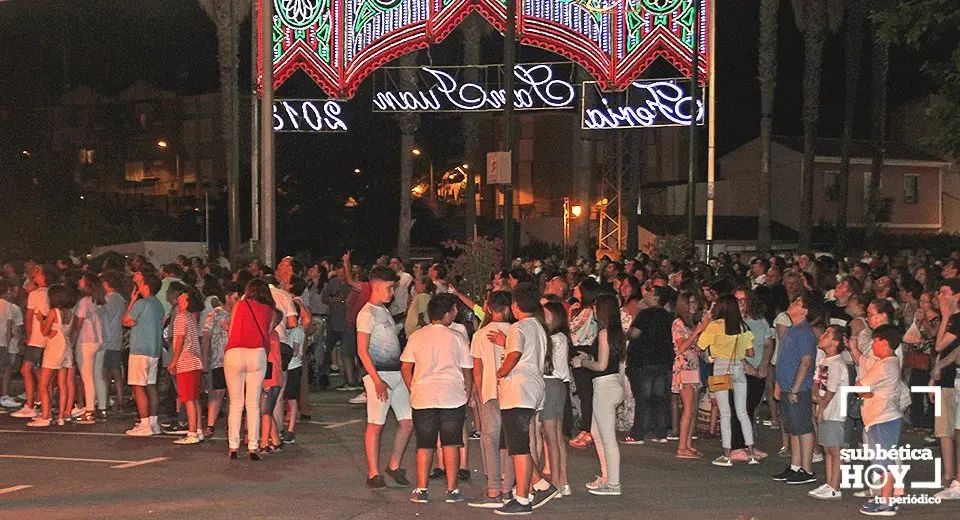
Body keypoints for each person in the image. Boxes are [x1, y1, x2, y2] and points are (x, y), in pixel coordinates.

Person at [401, 293, 473, 505]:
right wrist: (467, 393)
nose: (456, 313)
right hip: (452, 396)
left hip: (423, 396)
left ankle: (421, 488)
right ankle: (452, 489)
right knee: (451, 443)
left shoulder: (417, 336)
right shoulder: (457, 337)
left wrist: (413, 386)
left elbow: (406, 366)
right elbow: (467, 369)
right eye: (454, 310)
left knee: (424, 444)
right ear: (447, 313)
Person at [495, 283, 552, 515]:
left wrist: (502, 371)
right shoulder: (538, 327)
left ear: (516, 306)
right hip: (533, 389)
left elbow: (516, 354)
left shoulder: (518, 328)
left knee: (519, 447)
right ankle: (540, 485)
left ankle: (522, 498)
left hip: (518, 390)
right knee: (515, 443)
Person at [357, 266, 414, 489]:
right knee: (376, 424)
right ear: (377, 286)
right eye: (390, 288)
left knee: (407, 422)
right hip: (379, 375)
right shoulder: (367, 313)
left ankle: (394, 466)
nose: (392, 293)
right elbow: (362, 350)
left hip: (396, 373)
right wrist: (376, 380)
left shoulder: (383, 310)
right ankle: (373, 473)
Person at [467, 291, 516, 509]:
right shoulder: (515, 331)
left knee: (491, 442)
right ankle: (509, 488)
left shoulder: (480, 335)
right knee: (511, 442)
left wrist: (479, 392)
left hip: (489, 393)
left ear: (489, 308)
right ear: (508, 308)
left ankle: (493, 488)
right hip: (513, 393)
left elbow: (477, 370)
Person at [574, 294, 625, 496]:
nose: (593, 310)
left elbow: (601, 365)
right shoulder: (616, 332)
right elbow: (611, 361)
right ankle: (606, 477)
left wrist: (583, 362)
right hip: (611, 384)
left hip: (605, 386)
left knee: (607, 437)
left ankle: (613, 483)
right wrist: (589, 356)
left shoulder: (604, 333)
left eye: (596, 307)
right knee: (596, 433)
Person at [697, 294, 757, 466]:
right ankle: (751, 453)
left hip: (720, 369)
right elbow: (751, 352)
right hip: (738, 368)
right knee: (742, 411)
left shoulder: (715, 326)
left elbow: (700, 347)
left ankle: (727, 454)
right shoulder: (742, 326)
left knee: (724, 412)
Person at [856, 324, 906, 516]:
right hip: (881, 417)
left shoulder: (885, 364)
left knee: (885, 461)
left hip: (883, 417)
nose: (873, 344)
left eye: (875, 340)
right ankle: (883, 498)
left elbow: (860, 385)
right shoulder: (887, 363)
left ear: (884, 342)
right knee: (882, 460)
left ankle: (887, 502)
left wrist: (866, 393)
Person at [224, 279, 276, 459]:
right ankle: (253, 446)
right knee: (253, 403)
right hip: (257, 354)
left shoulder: (240, 304)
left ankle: (233, 446)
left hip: (235, 352)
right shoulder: (270, 310)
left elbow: (231, 331)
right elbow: (267, 332)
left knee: (236, 403)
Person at [772, 295, 821, 485]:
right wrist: (780, 383)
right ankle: (795, 466)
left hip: (798, 388)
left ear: (804, 310)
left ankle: (807, 469)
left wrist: (795, 388)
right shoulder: (793, 330)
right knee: (793, 428)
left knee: (803, 428)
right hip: (788, 385)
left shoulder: (804, 332)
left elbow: (806, 362)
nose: (792, 303)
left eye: (798, 302)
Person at [624, 285, 674, 444]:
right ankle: (660, 432)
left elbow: (634, 333)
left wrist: (626, 331)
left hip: (643, 360)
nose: (646, 294)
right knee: (659, 397)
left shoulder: (645, 314)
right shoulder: (667, 316)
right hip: (662, 361)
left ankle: (638, 433)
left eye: (650, 292)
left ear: (656, 297)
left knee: (642, 398)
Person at [808, 325, 849, 500]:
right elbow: (817, 381)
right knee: (827, 448)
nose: (822, 335)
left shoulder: (838, 363)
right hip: (825, 409)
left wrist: (821, 407)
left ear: (835, 342)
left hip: (834, 411)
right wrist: (816, 398)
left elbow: (832, 389)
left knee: (834, 449)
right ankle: (830, 483)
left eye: (827, 334)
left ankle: (835, 486)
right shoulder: (825, 361)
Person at [123, 274, 165, 436]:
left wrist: (133, 300)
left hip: (140, 349)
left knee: (138, 386)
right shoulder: (158, 305)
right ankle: (153, 423)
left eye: (140, 283)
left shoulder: (142, 303)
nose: (137, 286)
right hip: (154, 349)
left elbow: (126, 320)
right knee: (151, 386)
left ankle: (144, 423)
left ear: (147, 286)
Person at [28, 284, 75, 427]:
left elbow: (44, 331)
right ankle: (61, 416)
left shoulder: (54, 312)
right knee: (63, 385)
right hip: (66, 348)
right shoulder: (70, 312)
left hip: (54, 348)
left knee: (43, 384)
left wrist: (41, 319)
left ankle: (45, 415)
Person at [540, 300, 572, 496]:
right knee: (557, 437)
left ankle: (556, 483)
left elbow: (545, 364)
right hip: (557, 385)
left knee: (551, 436)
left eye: (546, 313)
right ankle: (563, 481)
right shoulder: (560, 337)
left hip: (551, 383)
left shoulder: (555, 339)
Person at [168, 283, 205, 444]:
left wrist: (174, 361)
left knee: (188, 399)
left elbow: (179, 340)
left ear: (187, 300)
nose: (181, 296)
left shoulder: (181, 317)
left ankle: (191, 433)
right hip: (195, 361)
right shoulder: (191, 317)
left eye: (184, 295)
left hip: (186, 361)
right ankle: (198, 430)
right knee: (194, 398)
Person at [671, 290, 706, 458]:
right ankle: (681, 447)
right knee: (687, 408)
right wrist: (698, 331)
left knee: (692, 408)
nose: (693, 306)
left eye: (695, 303)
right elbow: (681, 347)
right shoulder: (678, 323)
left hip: (693, 366)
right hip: (684, 367)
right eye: (690, 303)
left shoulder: (691, 323)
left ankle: (688, 443)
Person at [11, 266, 50, 419]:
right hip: (48, 337)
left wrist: (28, 335)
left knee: (26, 369)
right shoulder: (52, 292)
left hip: (36, 337)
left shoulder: (35, 294)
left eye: (39, 272)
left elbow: (29, 316)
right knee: (40, 371)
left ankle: (30, 404)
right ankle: (40, 401)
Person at [202, 281, 238, 438]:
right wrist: (204, 358)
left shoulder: (239, 313)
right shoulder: (215, 313)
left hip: (236, 360)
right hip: (219, 359)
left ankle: (232, 426)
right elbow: (206, 337)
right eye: (235, 297)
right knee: (217, 392)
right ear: (227, 297)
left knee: (234, 395)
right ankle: (210, 425)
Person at [70, 272, 106, 425]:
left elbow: (78, 324)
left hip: (86, 341)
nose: (79, 281)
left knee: (87, 377)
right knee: (96, 374)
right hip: (98, 340)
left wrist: (71, 342)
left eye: (82, 280)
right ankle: (98, 407)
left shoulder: (84, 302)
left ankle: (89, 410)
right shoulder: (98, 301)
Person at [569, 279, 600, 450]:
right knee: (583, 392)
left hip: (583, 352)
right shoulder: (583, 310)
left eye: (578, 288)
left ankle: (588, 429)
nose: (574, 289)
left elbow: (573, 331)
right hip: (580, 352)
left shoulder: (588, 311)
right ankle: (585, 428)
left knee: (586, 393)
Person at [100, 271, 127, 412]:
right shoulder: (120, 299)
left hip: (107, 339)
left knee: (105, 372)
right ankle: (121, 399)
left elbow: (104, 320)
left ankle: (105, 400)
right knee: (116, 371)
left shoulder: (108, 299)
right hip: (116, 338)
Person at [0, 280, 24, 408]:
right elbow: (13, 328)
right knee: (7, 369)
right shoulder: (11, 307)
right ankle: (4, 395)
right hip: (6, 343)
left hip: (6, 342)